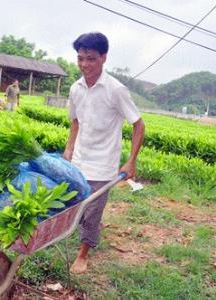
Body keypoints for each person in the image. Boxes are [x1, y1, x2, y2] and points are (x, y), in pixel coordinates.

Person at [63, 32, 145, 274]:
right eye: (80, 59)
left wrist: (131, 162)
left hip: (103, 164)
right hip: (79, 160)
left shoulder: (116, 90)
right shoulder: (75, 88)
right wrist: (69, 149)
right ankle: (77, 234)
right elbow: (75, 122)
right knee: (75, 204)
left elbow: (138, 125)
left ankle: (83, 254)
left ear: (104, 58)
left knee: (93, 212)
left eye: (91, 59)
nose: (84, 65)